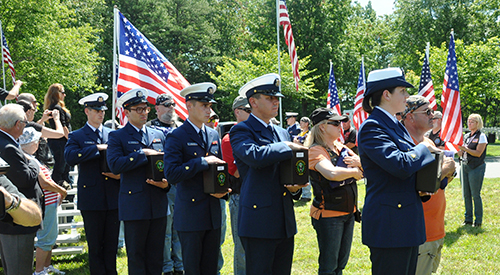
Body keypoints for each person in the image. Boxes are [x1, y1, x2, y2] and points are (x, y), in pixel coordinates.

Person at [357, 68, 438, 275]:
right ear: (386, 94)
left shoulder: (393, 123)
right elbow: (400, 165)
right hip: (390, 226)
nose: (407, 96)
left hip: (405, 223)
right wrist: (423, 147)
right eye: (402, 91)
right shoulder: (372, 127)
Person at [230, 73, 308, 275]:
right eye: (270, 98)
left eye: (277, 99)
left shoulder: (281, 132)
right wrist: (285, 146)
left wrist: (295, 189)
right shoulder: (242, 130)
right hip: (259, 221)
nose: (276, 102)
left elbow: (285, 171)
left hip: (283, 220)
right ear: (253, 102)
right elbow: (255, 156)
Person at [164, 83, 228, 275]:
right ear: (189, 106)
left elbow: (219, 167)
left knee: (211, 268)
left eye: (210, 106)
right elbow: (172, 173)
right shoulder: (177, 136)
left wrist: (225, 187)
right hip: (191, 215)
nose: (209, 110)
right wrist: (201, 162)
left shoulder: (212, 133)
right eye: (204, 105)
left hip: (213, 213)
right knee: (193, 269)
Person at [107, 88, 170, 274]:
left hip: (158, 203)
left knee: (156, 255)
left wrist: (167, 184)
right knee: (136, 256)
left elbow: (167, 165)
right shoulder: (117, 136)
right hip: (135, 205)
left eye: (146, 109)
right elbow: (115, 165)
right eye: (139, 109)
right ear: (127, 112)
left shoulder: (158, 134)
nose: (144, 113)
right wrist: (141, 154)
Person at [64, 93, 121, 275]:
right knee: (95, 245)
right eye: (97, 110)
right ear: (87, 111)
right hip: (92, 198)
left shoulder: (112, 134)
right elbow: (70, 157)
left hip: (112, 197)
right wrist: (95, 149)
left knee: (111, 244)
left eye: (103, 110)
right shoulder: (77, 135)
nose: (101, 114)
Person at [401, 95, 456, 275]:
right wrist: (444, 169)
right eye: (427, 112)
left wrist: (445, 172)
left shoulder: (428, 141)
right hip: (420, 232)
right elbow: (419, 186)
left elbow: (445, 179)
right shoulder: (404, 145)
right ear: (410, 116)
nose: (433, 116)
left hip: (436, 228)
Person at [305, 108, 364, 275]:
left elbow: (365, 165)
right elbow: (331, 173)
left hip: (349, 212)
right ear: (322, 127)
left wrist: (359, 164)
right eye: (335, 123)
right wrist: (354, 172)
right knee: (329, 267)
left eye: (342, 122)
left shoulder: (339, 146)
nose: (341, 125)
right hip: (328, 215)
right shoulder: (315, 150)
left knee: (341, 264)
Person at [0, 104, 45, 275]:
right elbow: (25, 179)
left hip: (11, 218)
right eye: (25, 123)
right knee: (19, 270)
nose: (26, 126)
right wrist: (33, 161)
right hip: (17, 221)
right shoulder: (8, 147)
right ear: (18, 124)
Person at [19, 127, 67, 275]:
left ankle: (46, 267)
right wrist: (62, 191)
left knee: (51, 237)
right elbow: (45, 183)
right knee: (46, 239)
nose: (39, 143)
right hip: (46, 204)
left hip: (50, 203)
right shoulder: (29, 158)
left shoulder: (32, 158)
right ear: (30, 143)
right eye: (36, 141)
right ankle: (39, 271)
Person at [146, 93, 184, 275]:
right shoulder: (149, 129)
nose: (171, 108)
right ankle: (167, 266)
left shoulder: (182, 128)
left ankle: (180, 265)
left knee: (180, 227)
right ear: (157, 108)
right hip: (161, 186)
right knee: (166, 229)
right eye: (167, 105)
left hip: (181, 184)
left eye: (173, 105)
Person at [221, 95, 251, 275]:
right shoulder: (229, 138)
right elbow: (237, 172)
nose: (252, 113)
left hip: (256, 195)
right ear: (237, 112)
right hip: (240, 196)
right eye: (248, 110)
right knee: (242, 247)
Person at [458, 114, 488, 228]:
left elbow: (478, 153)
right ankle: (468, 219)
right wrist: (460, 152)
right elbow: (463, 151)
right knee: (466, 194)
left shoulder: (482, 136)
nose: (469, 123)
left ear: (478, 123)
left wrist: (465, 149)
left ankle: (478, 220)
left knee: (475, 194)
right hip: (465, 166)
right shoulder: (466, 136)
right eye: (468, 121)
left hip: (476, 167)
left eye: (472, 121)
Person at [44, 83, 72, 185]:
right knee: (60, 168)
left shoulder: (57, 107)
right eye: (63, 92)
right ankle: (58, 191)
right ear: (57, 93)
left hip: (61, 140)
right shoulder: (56, 108)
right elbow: (63, 126)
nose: (65, 95)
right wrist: (71, 140)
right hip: (60, 141)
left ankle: (65, 192)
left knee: (65, 168)